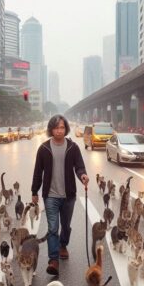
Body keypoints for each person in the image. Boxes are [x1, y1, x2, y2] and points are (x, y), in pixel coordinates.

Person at [31, 114, 89, 276]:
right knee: (53, 227)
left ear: (66, 129)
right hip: (50, 195)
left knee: (66, 225)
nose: (59, 131)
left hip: (68, 195)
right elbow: (37, 172)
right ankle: (53, 259)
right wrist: (34, 191)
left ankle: (63, 245)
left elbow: (79, 166)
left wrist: (83, 175)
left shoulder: (73, 147)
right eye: (56, 128)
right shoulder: (43, 149)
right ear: (51, 129)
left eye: (62, 127)